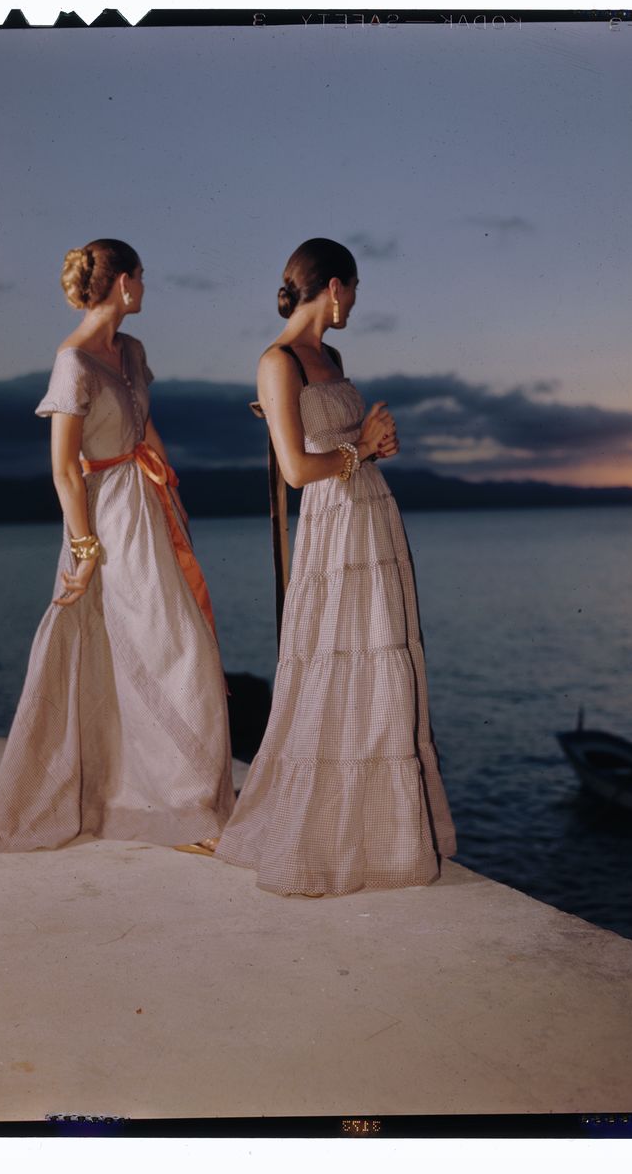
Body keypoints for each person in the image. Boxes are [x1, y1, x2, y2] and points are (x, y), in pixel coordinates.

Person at [0, 238, 234, 852]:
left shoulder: (131, 351)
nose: (145, 286)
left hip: (149, 504)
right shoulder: (74, 363)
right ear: (123, 285)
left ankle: (186, 804)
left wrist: (176, 500)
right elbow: (64, 468)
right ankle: (182, 810)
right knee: (169, 653)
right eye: (142, 275)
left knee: (177, 646)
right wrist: (85, 552)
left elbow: (148, 428)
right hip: (107, 518)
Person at [210, 238, 456, 896]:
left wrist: (375, 447)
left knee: (386, 668)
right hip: (331, 530)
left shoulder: (334, 357)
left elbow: (349, 451)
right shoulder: (278, 361)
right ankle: (327, 833)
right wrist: (359, 451)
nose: (354, 303)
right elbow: (295, 471)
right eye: (354, 289)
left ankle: (387, 837)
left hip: (373, 519)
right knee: (336, 666)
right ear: (335, 286)